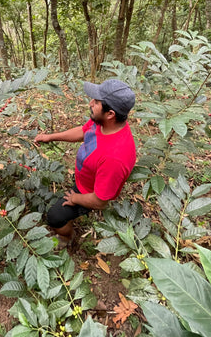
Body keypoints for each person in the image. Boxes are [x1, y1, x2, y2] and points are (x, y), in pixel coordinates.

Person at [34, 79, 136, 246]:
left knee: (54, 217)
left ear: (110, 113)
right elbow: (83, 131)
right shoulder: (103, 123)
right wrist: (50, 137)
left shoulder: (115, 158)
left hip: (87, 192)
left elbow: (100, 201)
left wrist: (75, 199)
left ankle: (67, 237)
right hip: (85, 179)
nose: (90, 103)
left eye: (96, 102)